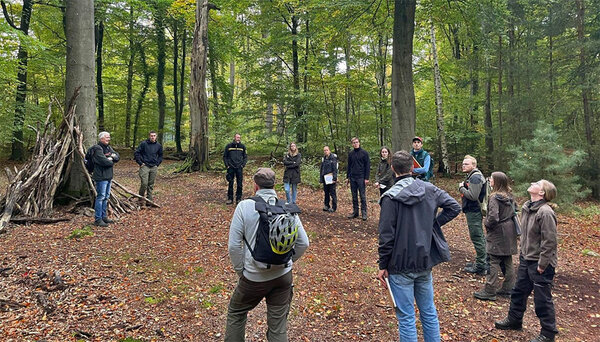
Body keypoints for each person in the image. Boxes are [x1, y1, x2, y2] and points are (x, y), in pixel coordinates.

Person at [377, 150, 461, 342]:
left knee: (407, 317)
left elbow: (386, 236)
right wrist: (430, 226)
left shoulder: (390, 197)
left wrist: (383, 265)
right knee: (428, 312)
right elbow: (454, 206)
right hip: (423, 260)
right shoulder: (429, 189)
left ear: (392, 169)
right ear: (413, 167)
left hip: (401, 263)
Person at [226, 168, 310, 341]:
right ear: (274, 185)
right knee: (278, 325)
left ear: (255, 186)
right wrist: (287, 261)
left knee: (236, 312)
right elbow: (304, 243)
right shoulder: (287, 208)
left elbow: (234, 246)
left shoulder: (244, 207)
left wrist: (242, 271)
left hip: (253, 277)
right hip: (283, 277)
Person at [495, 180, 558, 342]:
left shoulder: (545, 212)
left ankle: (548, 334)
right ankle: (514, 320)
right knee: (518, 291)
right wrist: (523, 254)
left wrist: (543, 264)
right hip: (526, 259)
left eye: (536, 183)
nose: (531, 183)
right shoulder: (526, 207)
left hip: (541, 263)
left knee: (542, 299)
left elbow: (549, 241)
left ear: (542, 193)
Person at [473, 172, 518, 301]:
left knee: (493, 260)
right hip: (510, 230)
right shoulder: (509, 196)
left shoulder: (494, 197)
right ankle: (508, 288)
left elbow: (493, 216)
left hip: (498, 232)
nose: (489, 180)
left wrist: (486, 223)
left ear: (496, 181)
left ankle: (490, 290)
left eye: (491, 179)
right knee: (507, 259)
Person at [459, 155, 488, 275]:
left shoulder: (475, 177)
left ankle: (481, 265)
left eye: (466, 164)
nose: (463, 165)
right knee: (478, 236)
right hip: (472, 210)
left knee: (477, 237)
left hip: (474, 211)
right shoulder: (472, 176)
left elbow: (473, 196)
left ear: (474, 165)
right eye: (463, 163)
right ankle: (483, 261)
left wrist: (461, 188)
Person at [92, 132, 120, 227]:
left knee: (106, 197)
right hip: (101, 177)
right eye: (107, 137)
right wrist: (110, 159)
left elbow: (117, 156)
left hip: (108, 176)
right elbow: (103, 161)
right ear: (101, 139)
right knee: (100, 197)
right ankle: (98, 219)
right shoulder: (97, 149)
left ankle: (104, 217)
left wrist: (110, 158)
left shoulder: (108, 148)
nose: (109, 139)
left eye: (109, 137)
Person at [134, 131, 163, 206]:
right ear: (149, 136)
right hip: (145, 166)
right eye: (151, 136)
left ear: (156, 136)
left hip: (154, 166)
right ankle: (140, 200)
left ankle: (149, 201)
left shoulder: (158, 145)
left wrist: (157, 164)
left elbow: (160, 155)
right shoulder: (144, 144)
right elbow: (137, 153)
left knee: (151, 184)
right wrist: (140, 163)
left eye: (154, 136)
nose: (152, 137)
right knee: (144, 183)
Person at [346, 137, 370, 221]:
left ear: (359, 143)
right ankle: (355, 212)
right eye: (354, 143)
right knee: (354, 196)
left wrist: (366, 178)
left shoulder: (364, 153)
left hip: (361, 177)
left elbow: (367, 166)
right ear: (352, 144)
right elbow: (349, 166)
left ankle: (364, 213)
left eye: (356, 142)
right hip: (353, 177)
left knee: (362, 196)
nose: (355, 144)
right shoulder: (351, 154)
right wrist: (347, 177)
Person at [223, 133, 248, 204]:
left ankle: (238, 198)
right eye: (237, 137)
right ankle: (230, 198)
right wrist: (227, 165)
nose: (238, 139)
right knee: (230, 183)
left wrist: (243, 165)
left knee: (239, 183)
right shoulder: (229, 146)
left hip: (239, 168)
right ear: (234, 138)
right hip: (231, 167)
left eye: (239, 137)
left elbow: (245, 157)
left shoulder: (242, 146)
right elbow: (225, 156)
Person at [319, 146, 338, 212]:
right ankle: (326, 205)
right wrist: (321, 178)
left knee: (332, 193)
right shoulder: (323, 159)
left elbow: (335, 169)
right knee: (326, 192)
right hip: (325, 178)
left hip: (331, 178)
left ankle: (334, 207)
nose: (325, 151)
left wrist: (334, 178)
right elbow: (322, 169)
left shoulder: (333, 158)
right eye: (324, 150)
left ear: (329, 150)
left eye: (327, 150)